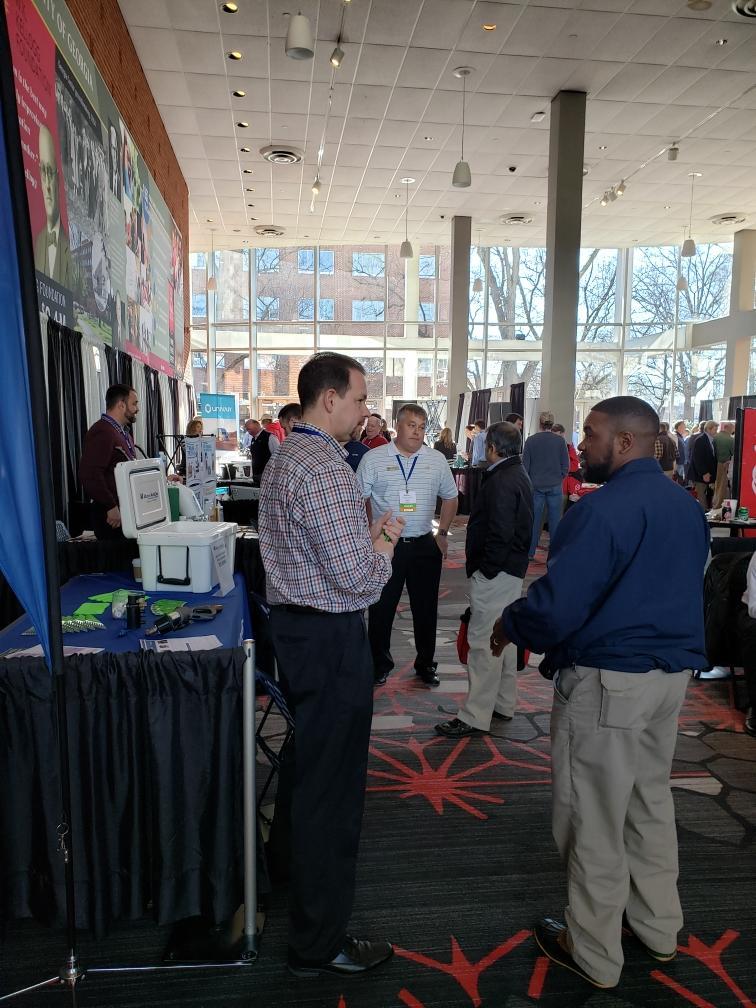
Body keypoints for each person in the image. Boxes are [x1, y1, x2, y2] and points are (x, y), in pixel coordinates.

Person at [490, 395, 709, 990]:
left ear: (628, 442)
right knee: (648, 804)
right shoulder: (686, 507)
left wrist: (512, 623)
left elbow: (560, 604)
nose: (580, 446)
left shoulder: (602, 510)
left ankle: (592, 952)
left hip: (610, 682)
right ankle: (658, 928)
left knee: (592, 816)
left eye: (590, 434)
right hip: (669, 681)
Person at [259, 351, 404, 978]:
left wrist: (364, 536)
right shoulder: (321, 466)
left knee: (306, 765)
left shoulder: (289, 456)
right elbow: (358, 579)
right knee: (331, 789)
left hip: (300, 629)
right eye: (360, 398)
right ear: (328, 400)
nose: (365, 410)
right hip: (326, 636)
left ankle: (287, 875)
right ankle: (318, 940)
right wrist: (386, 541)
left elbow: (326, 558)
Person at [436, 422, 533, 738]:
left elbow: (500, 532)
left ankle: (475, 715)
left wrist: (485, 570)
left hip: (497, 572)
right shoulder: (515, 473)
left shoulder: (502, 479)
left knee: (482, 643)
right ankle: (503, 703)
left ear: (492, 447)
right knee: (502, 637)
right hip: (510, 570)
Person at [357, 404, 458, 687]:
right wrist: (369, 531)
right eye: (412, 425)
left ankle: (426, 663)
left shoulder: (436, 460)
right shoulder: (374, 459)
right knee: (381, 607)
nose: (417, 431)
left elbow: (450, 498)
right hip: (387, 543)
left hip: (425, 543)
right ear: (397, 427)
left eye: (422, 426)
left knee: (426, 608)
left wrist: (443, 534)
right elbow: (359, 498)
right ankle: (379, 664)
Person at [79, 384, 139, 539]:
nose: (137, 409)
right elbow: (90, 474)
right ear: (121, 405)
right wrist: (110, 506)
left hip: (124, 511)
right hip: (110, 516)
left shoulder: (121, 432)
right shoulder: (102, 431)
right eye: (134, 404)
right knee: (115, 561)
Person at [522, 410, 569, 560]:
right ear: (552, 424)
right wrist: (559, 477)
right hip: (555, 485)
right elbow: (565, 465)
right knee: (555, 521)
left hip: (535, 486)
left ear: (540, 423)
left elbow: (525, 467)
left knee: (534, 520)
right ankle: (555, 553)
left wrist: (530, 481)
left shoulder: (531, 440)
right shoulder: (560, 441)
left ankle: (530, 552)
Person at [34, 125, 75, 288]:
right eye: (43, 172)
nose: (48, 186)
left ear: (58, 179)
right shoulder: (38, 242)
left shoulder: (70, 250)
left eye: (50, 172)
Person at [690, 420, 718, 508]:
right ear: (708, 429)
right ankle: (703, 516)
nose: (716, 431)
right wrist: (704, 473)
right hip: (701, 475)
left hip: (709, 474)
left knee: (708, 496)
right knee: (701, 497)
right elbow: (697, 459)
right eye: (715, 429)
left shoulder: (711, 440)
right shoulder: (700, 440)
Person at [552, 424, 581, 505]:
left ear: (563, 434)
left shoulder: (569, 448)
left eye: (558, 436)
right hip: (549, 486)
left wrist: (561, 466)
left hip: (563, 488)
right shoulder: (549, 448)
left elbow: (575, 466)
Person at [712, 421, 735, 507]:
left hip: (715, 464)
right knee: (722, 486)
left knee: (717, 485)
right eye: (733, 429)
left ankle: (714, 503)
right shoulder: (730, 440)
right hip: (724, 465)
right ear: (729, 428)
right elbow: (733, 453)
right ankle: (718, 504)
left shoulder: (715, 437)